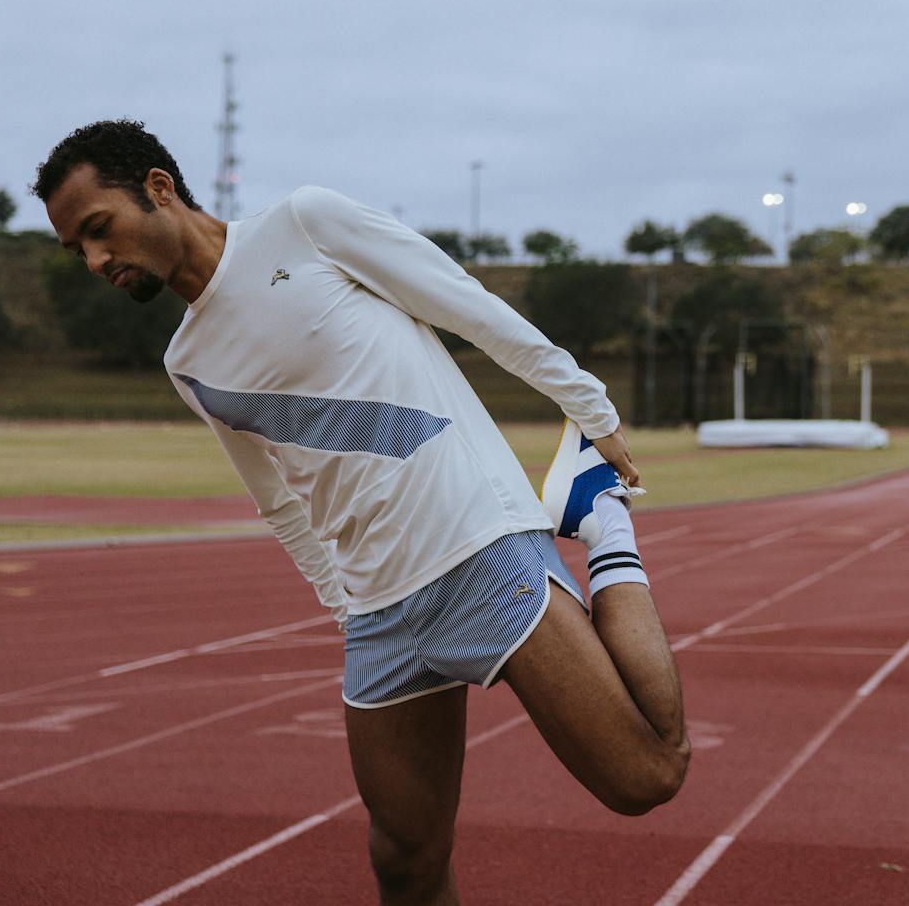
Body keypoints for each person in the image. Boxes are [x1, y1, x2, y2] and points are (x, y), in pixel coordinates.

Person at [34, 119, 689, 905]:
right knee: (405, 860)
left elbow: (470, 309)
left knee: (646, 774)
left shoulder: (305, 224)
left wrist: (589, 407)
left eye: (98, 228)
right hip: (379, 613)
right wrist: (346, 607)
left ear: (159, 188)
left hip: (475, 546)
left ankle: (601, 517)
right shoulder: (187, 362)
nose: (95, 260)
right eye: (77, 250)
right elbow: (279, 501)